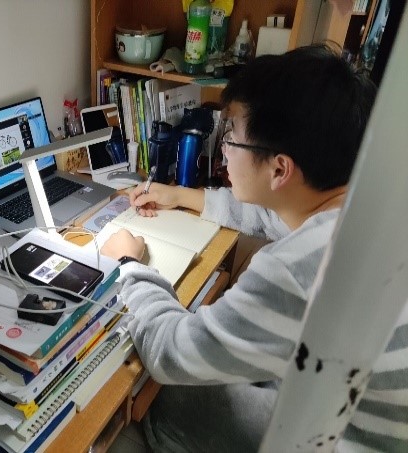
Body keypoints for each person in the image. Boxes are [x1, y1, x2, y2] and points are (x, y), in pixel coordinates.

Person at [100, 44, 406, 452]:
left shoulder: (297, 268)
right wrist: (183, 196)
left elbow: (171, 353)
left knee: (165, 401)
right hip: (350, 404)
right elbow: (275, 215)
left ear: (280, 168)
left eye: (231, 137)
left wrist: (127, 265)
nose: (224, 148)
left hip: (344, 437)